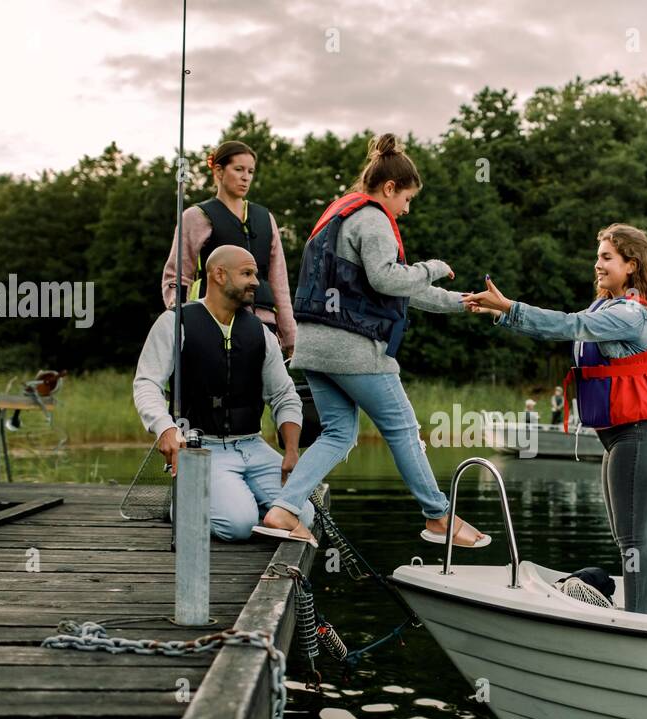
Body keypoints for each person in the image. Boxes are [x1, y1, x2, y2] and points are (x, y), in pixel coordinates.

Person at [256, 133, 490, 549]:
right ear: (389, 189)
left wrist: (463, 303)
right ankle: (438, 515)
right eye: (407, 199)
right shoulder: (375, 219)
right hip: (354, 350)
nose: (406, 208)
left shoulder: (337, 216)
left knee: (338, 434)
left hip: (315, 348)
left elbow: (396, 288)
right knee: (402, 429)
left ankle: (284, 508)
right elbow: (389, 277)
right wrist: (433, 266)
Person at [465, 224, 647, 613]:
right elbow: (569, 326)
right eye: (598, 256)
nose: (597, 264)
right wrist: (505, 314)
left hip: (642, 436)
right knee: (625, 539)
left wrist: (510, 308)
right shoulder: (609, 307)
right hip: (618, 439)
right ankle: (634, 615)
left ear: (631, 266)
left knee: (634, 540)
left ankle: (636, 623)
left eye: (606, 257)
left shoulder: (632, 316)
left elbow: (569, 325)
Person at [134, 245, 316, 544]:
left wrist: (292, 450)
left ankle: (234, 501)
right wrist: (164, 427)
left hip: (254, 446)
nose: (256, 281)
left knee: (304, 514)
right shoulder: (174, 322)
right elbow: (146, 383)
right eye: (247, 273)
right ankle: (185, 504)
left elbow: (284, 395)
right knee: (238, 526)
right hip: (203, 449)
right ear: (219, 275)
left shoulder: (261, 332)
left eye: (256, 274)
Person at [162, 140, 297, 359]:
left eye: (251, 171)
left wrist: (290, 337)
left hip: (264, 326)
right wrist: (180, 320)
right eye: (238, 169)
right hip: (212, 323)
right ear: (218, 171)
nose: (246, 177)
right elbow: (177, 276)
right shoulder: (195, 217)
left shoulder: (265, 218)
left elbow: (279, 283)